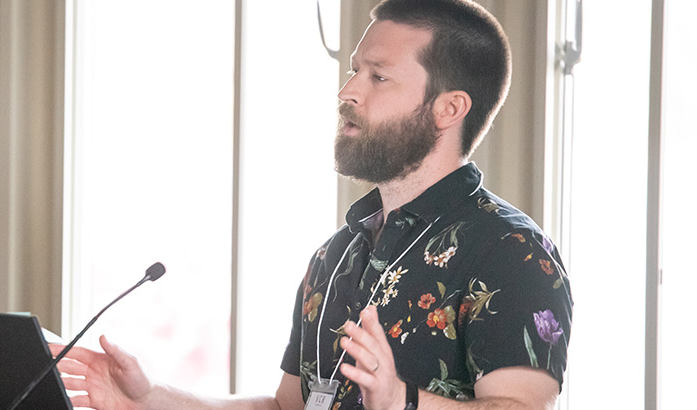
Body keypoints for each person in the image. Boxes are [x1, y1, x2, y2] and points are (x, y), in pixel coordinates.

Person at [50, 1, 573, 409]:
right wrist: (148, 400)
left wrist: (402, 401)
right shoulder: (334, 255)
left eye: (377, 75)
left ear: (448, 108)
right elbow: (285, 407)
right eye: (353, 72)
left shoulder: (514, 252)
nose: (347, 91)